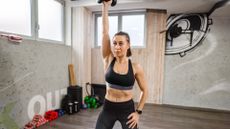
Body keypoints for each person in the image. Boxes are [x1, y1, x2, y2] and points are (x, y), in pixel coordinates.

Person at [95, 0, 148, 129]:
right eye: (114, 43)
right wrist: (105, 6)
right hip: (108, 108)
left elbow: (145, 90)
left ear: (128, 44)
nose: (116, 47)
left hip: (127, 110)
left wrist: (138, 112)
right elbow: (104, 32)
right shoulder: (108, 59)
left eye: (120, 43)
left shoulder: (136, 67)